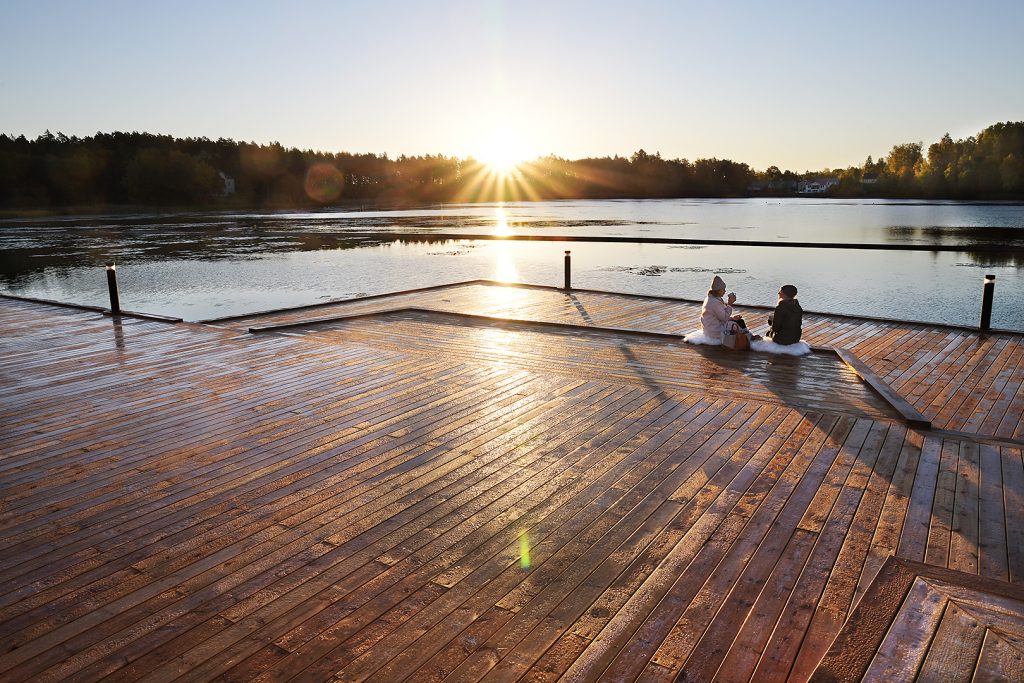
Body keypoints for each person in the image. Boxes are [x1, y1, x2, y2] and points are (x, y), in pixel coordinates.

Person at [700, 275, 748, 341]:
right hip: (714, 331)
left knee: (737, 321)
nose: (725, 291)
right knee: (739, 322)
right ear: (718, 290)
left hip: (710, 327)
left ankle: (747, 337)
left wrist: (732, 318)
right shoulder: (714, 302)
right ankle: (747, 339)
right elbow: (724, 318)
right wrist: (730, 303)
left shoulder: (712, 298)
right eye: (723, 289)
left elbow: (720, 316)